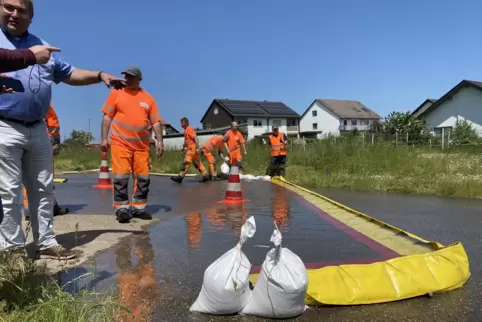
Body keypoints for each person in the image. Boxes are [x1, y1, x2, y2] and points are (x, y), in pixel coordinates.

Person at [0, 0, 124, 260]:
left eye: (21, 10)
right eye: (8, 7)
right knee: (9, 190)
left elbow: (70, 74)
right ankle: (12, 249)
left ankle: (45, 242)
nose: (14, 14)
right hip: (5, 125)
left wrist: (100, 75)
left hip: (37, 127)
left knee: (43, 187)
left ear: (31, 17)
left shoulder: (41, 45)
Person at [100, 66, 164, 224]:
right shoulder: (116, 93)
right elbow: (107, 118)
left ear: (139, 79)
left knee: (143, 178)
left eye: (130, 77)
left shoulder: (148, 98)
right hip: (120, 143)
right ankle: (121, 208)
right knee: (121, 176)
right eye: (126, 76)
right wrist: (103, 138)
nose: (127, 79)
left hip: (142, 146)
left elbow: (155, 121)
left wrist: (160, 140)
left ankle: (138, 208)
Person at [23, 104, 69, 221]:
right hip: (43, 143)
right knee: (45, 176)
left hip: (22, 143)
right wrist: (56, 141)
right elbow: (52, 122)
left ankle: (45, 206)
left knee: (28, 176)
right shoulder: (42, 100)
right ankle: (47, 207)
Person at [170, 117, 210, 183]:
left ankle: (180, 176)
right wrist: (183, 147)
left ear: (186, 123)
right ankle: (205, 175)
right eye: (181, 123)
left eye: (182, 123)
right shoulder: (186, 130)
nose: (181, 124)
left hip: (192, 149)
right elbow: (187, 141)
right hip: (192, 149)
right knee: (197, 163)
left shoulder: (189, 129)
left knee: (186, 162)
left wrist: (197, 148)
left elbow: (196, 138)